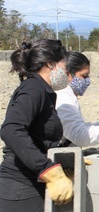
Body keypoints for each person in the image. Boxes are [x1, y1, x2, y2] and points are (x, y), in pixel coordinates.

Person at [0, 39, 73, 211]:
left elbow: (38, 136)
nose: (66, 72)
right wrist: (48, 169)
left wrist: (66, 159)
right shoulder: (33, 89)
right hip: (20, 188)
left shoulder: (43, 91)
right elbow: (11, 130)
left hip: (32, 183)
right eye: (64, 67)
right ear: (50, 64)